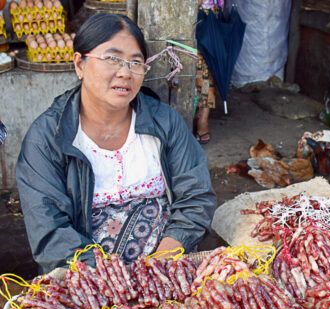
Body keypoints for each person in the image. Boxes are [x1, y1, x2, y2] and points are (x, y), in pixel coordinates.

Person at [16, 13, 217, 272]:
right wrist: (114, 282)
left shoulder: (165, 122)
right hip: (88, 280)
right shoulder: (47, 138)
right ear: (80, 64)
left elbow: (196, 197)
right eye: (112, 59)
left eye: (135, 62)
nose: (125, 72)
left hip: (166, 272)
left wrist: (163, 259)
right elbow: (51, 233)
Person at [193, 0, 224, 144]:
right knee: (198, 79)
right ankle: (197, 118)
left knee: (207, 79)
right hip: (193, 32)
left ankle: (202, 120)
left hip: (209, 32)